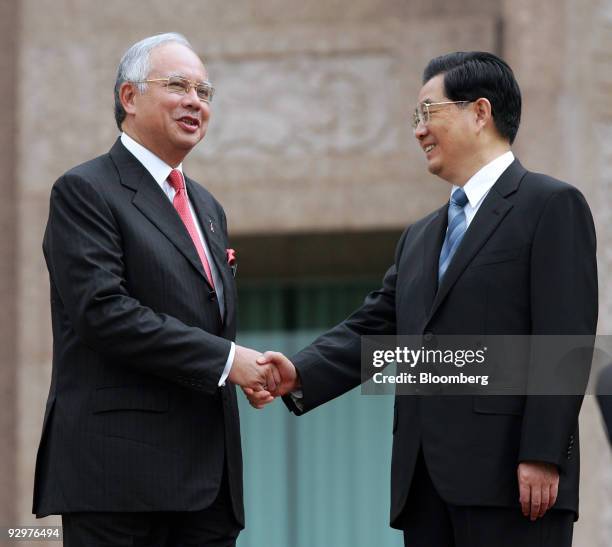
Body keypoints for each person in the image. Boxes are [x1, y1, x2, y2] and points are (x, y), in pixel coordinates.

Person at [246, 51, 598, 547]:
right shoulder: (420, 236)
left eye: (427, 113)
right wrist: (300, 372)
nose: (417, 131)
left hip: (512, 483)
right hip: (424, 487)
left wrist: (543, 453)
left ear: (480, 112)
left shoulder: (550, 206)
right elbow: (378, 325)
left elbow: (565, 337)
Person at [33, 32, 276, 546]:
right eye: (179, 86)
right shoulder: (86, 190)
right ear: (129, 97)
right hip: (120, 483)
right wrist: (228, 361)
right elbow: (105, 312)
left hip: (208, 487)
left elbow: (202, 319)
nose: (195, 102)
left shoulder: (207, 207)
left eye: (205, 92)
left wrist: (235, 366)